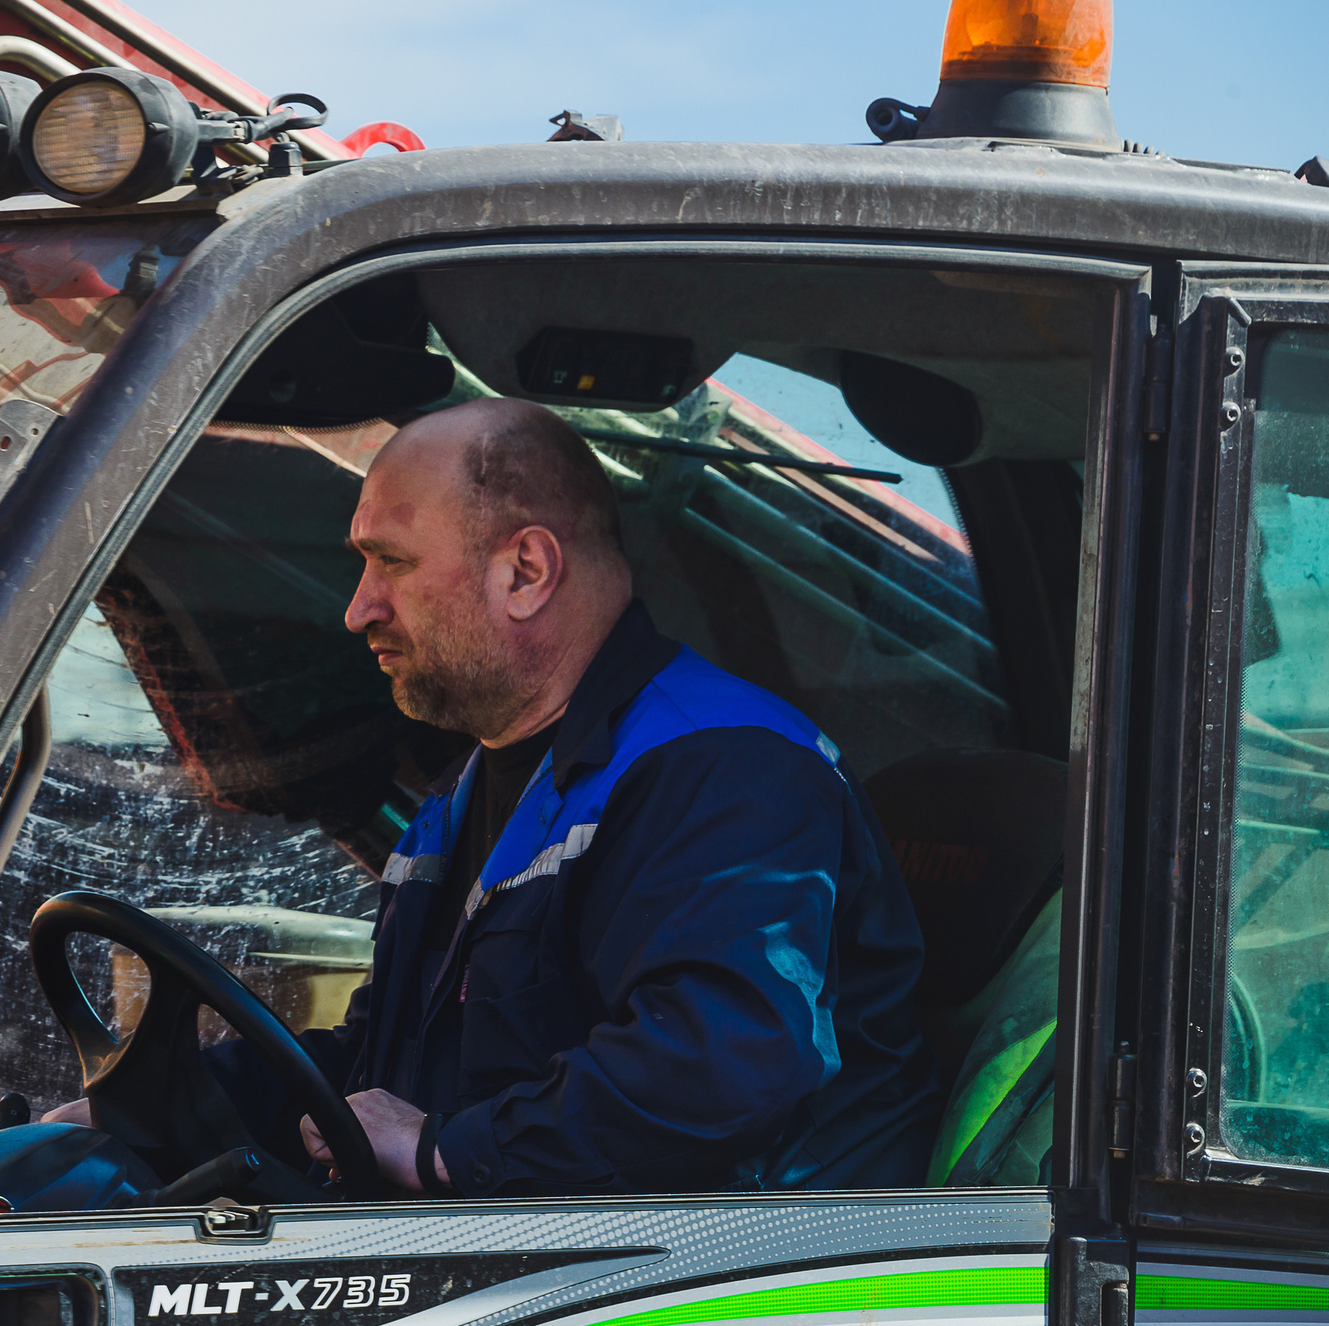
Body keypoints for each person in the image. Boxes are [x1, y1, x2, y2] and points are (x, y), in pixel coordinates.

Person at [209, 397, 937, 1196]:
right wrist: (155, 1106)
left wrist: (441, 1151)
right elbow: (384, 1062)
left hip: (689, 1299)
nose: (359, 608)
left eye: (394, 562)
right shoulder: (470, 792)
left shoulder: (728, 766)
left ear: (527, 570)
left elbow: (723, 1061)